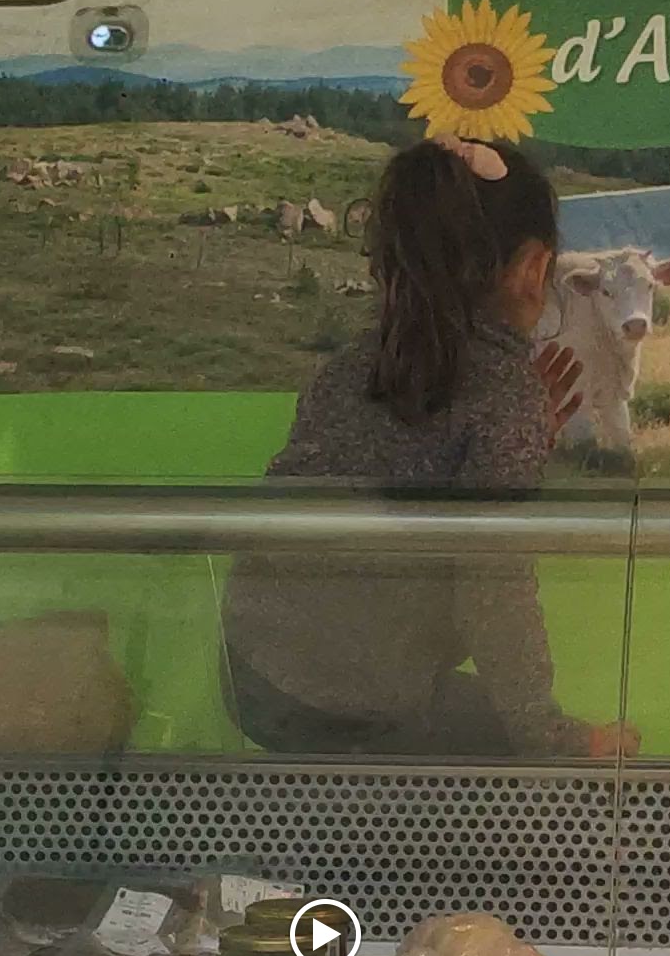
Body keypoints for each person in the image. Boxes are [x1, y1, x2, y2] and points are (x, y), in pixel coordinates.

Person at [222, 134, 637, 759]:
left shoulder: (350, 364)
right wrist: (551, 736)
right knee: (576, 757)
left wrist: (523, 438)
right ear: (532, 269)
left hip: (254, 676)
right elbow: (494, 590)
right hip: (349, 708)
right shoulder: (504, 391)